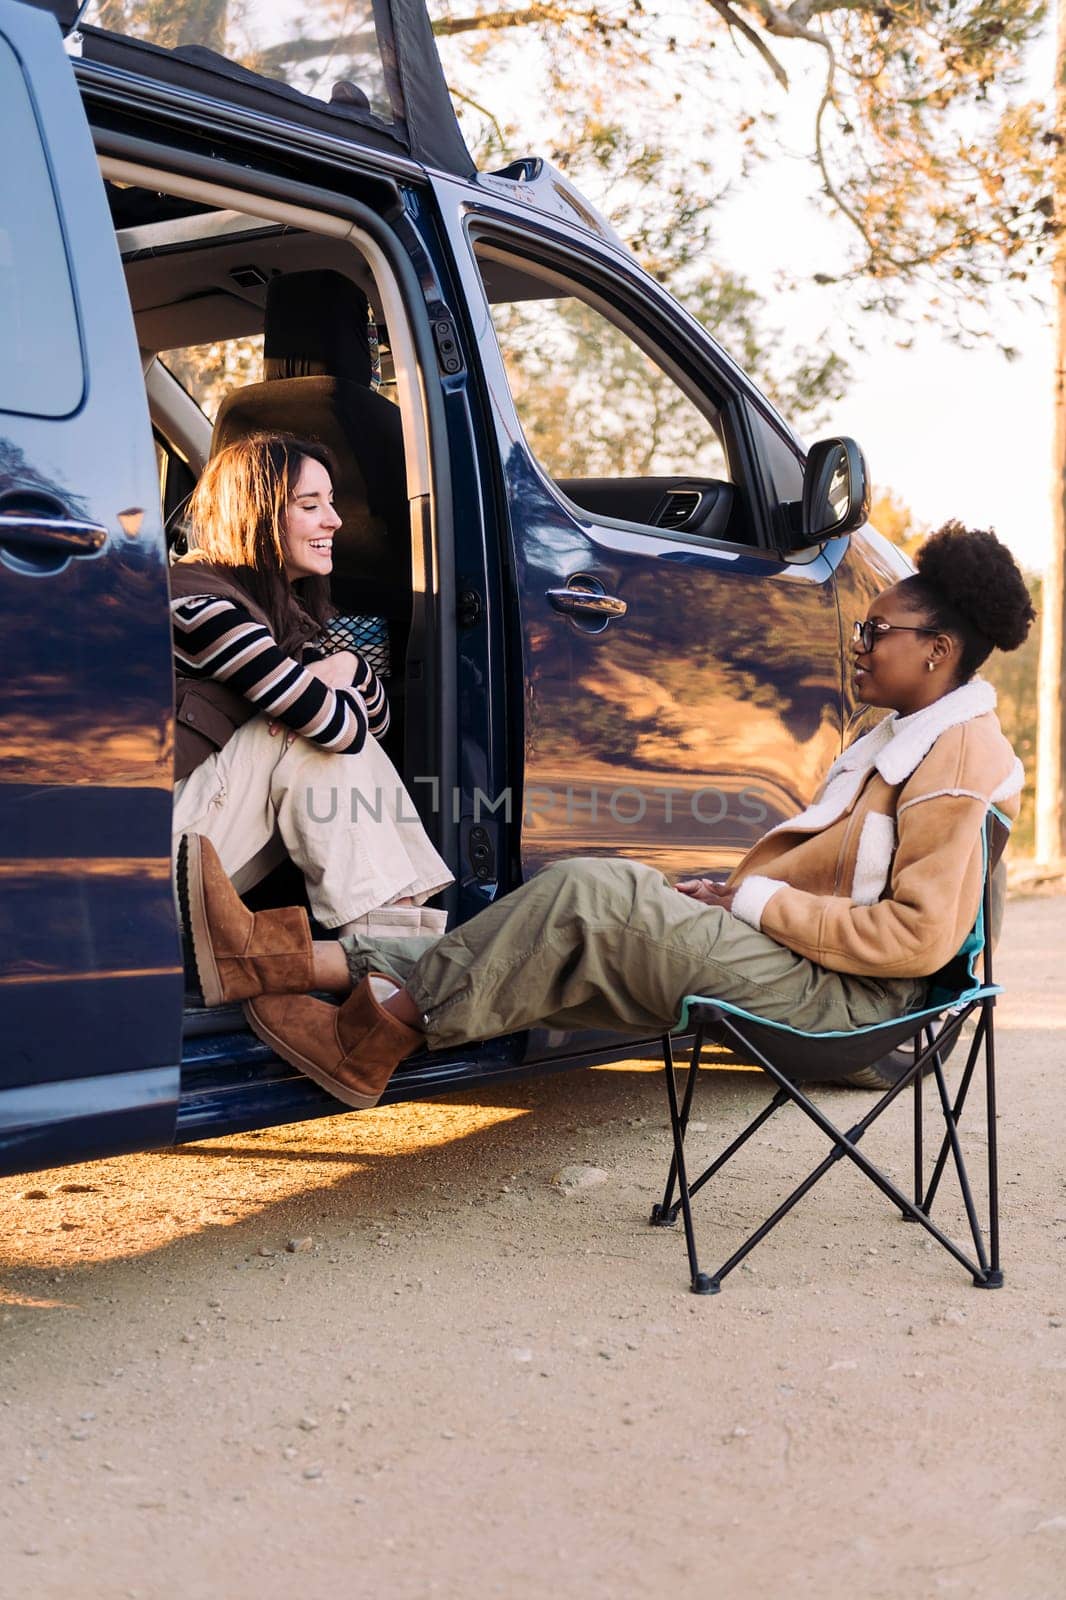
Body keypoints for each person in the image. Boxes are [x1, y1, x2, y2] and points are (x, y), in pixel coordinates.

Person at [179, 521, 1034, 1107]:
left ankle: (372, 1038)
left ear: (938, 650)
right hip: (808, 968)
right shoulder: (909, 735)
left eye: (875, 630)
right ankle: (281, 961)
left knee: (588, 897)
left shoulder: (955, 760)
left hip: (846, 1008)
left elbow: (917, 941)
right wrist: (727, 891)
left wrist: (751, 904)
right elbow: (843, 883)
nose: (858, 644)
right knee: (575, 916)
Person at [170, 432, 451, 1006]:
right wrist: (320, 697)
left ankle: (391, 975)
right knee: (312, 743)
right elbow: (340, 730)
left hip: (200, 852)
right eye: (310, 505)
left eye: (331, 502)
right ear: (257, 514)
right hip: (149, 858)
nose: (335, 522)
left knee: (320, 737)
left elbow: (378, 717)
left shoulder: (273, 615)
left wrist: (344, 663)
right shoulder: (198, 605)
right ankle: (396, 980)